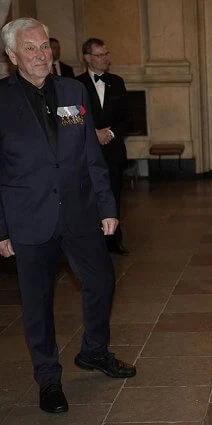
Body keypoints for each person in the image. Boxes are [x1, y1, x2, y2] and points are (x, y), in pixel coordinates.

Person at [0, 18, 136, 414]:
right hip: (28, 218)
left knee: (102, 280)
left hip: (79, 211)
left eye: (45, 46)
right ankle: (48, 379)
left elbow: (91, 156)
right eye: (30, 48)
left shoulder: (73, 90)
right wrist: (1, 229)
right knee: (37, 302)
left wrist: (108, 207)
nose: (41, 54)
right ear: (12, 56)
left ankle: (94, 350)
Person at [77, 38, 133, 254]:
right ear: (88, 58)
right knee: (87, 198)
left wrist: (109, 133)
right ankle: (91, 241)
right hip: (85, 152)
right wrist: (93, 134)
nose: (106, 59)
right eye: (100, 55)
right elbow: (69, 118)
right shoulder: (74, 84)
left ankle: (114, 239)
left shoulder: (117, 82)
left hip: (112, 151)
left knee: (114, 194)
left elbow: (128, 118)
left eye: (106, 54)